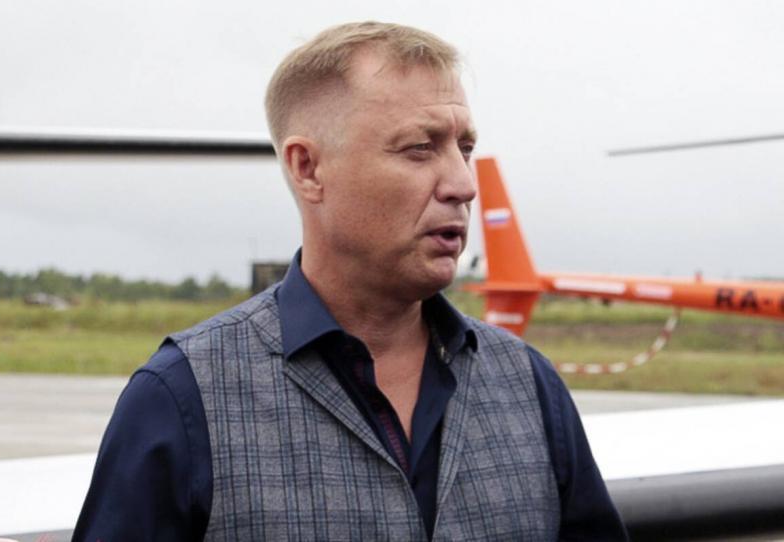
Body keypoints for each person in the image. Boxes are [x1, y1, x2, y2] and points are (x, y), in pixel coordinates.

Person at [73, 21, 627, 541]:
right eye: (420, 148)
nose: (463, 184)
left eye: (465, 149)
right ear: (308, 169)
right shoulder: (180, 399)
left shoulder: (529, 385)